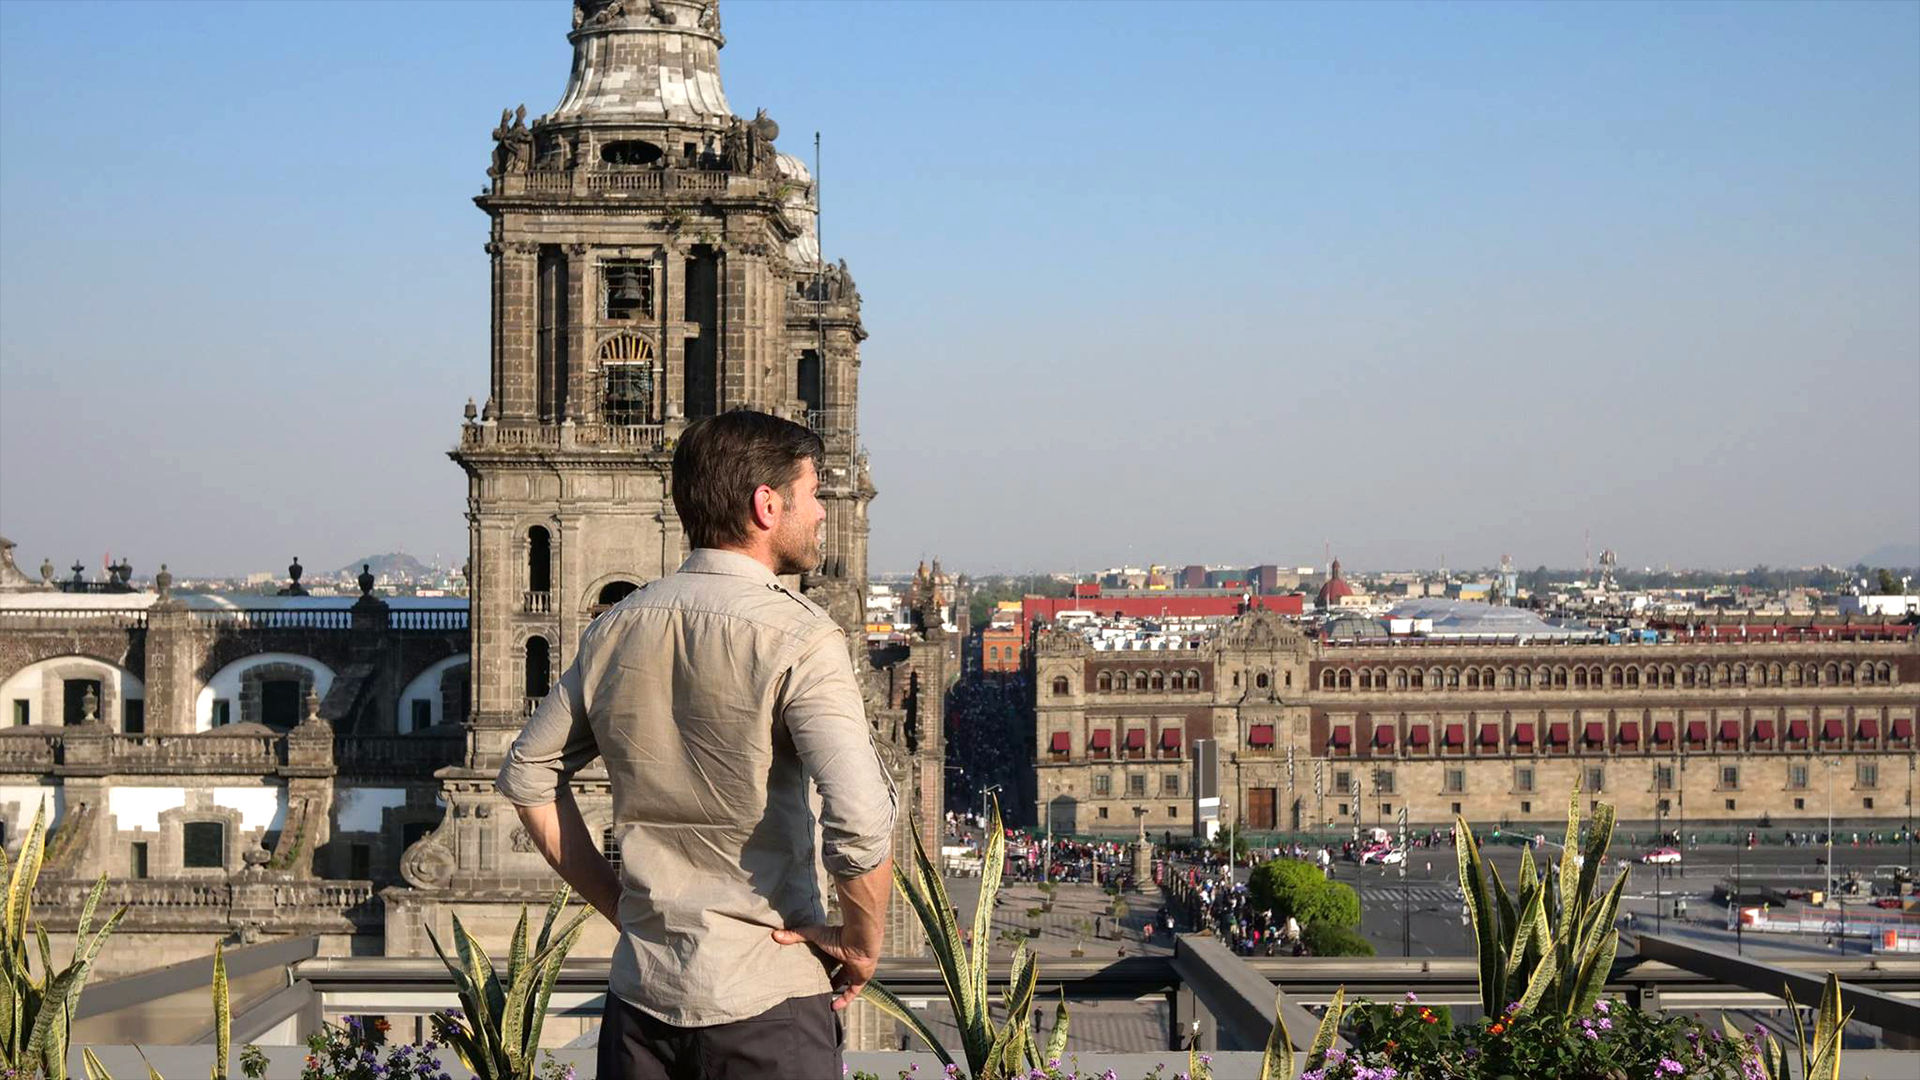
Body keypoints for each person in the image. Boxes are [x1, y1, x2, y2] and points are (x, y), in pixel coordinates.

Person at [497, 411, 898, 1080]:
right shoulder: (802, 637)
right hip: (765, 1002)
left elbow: (528, 777)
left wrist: (621, 907)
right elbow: (860, 820)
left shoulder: (616, 627)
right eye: (813, 493)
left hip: (640, 1005)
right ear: (766, 505)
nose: (823, 511)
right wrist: (861, 943)